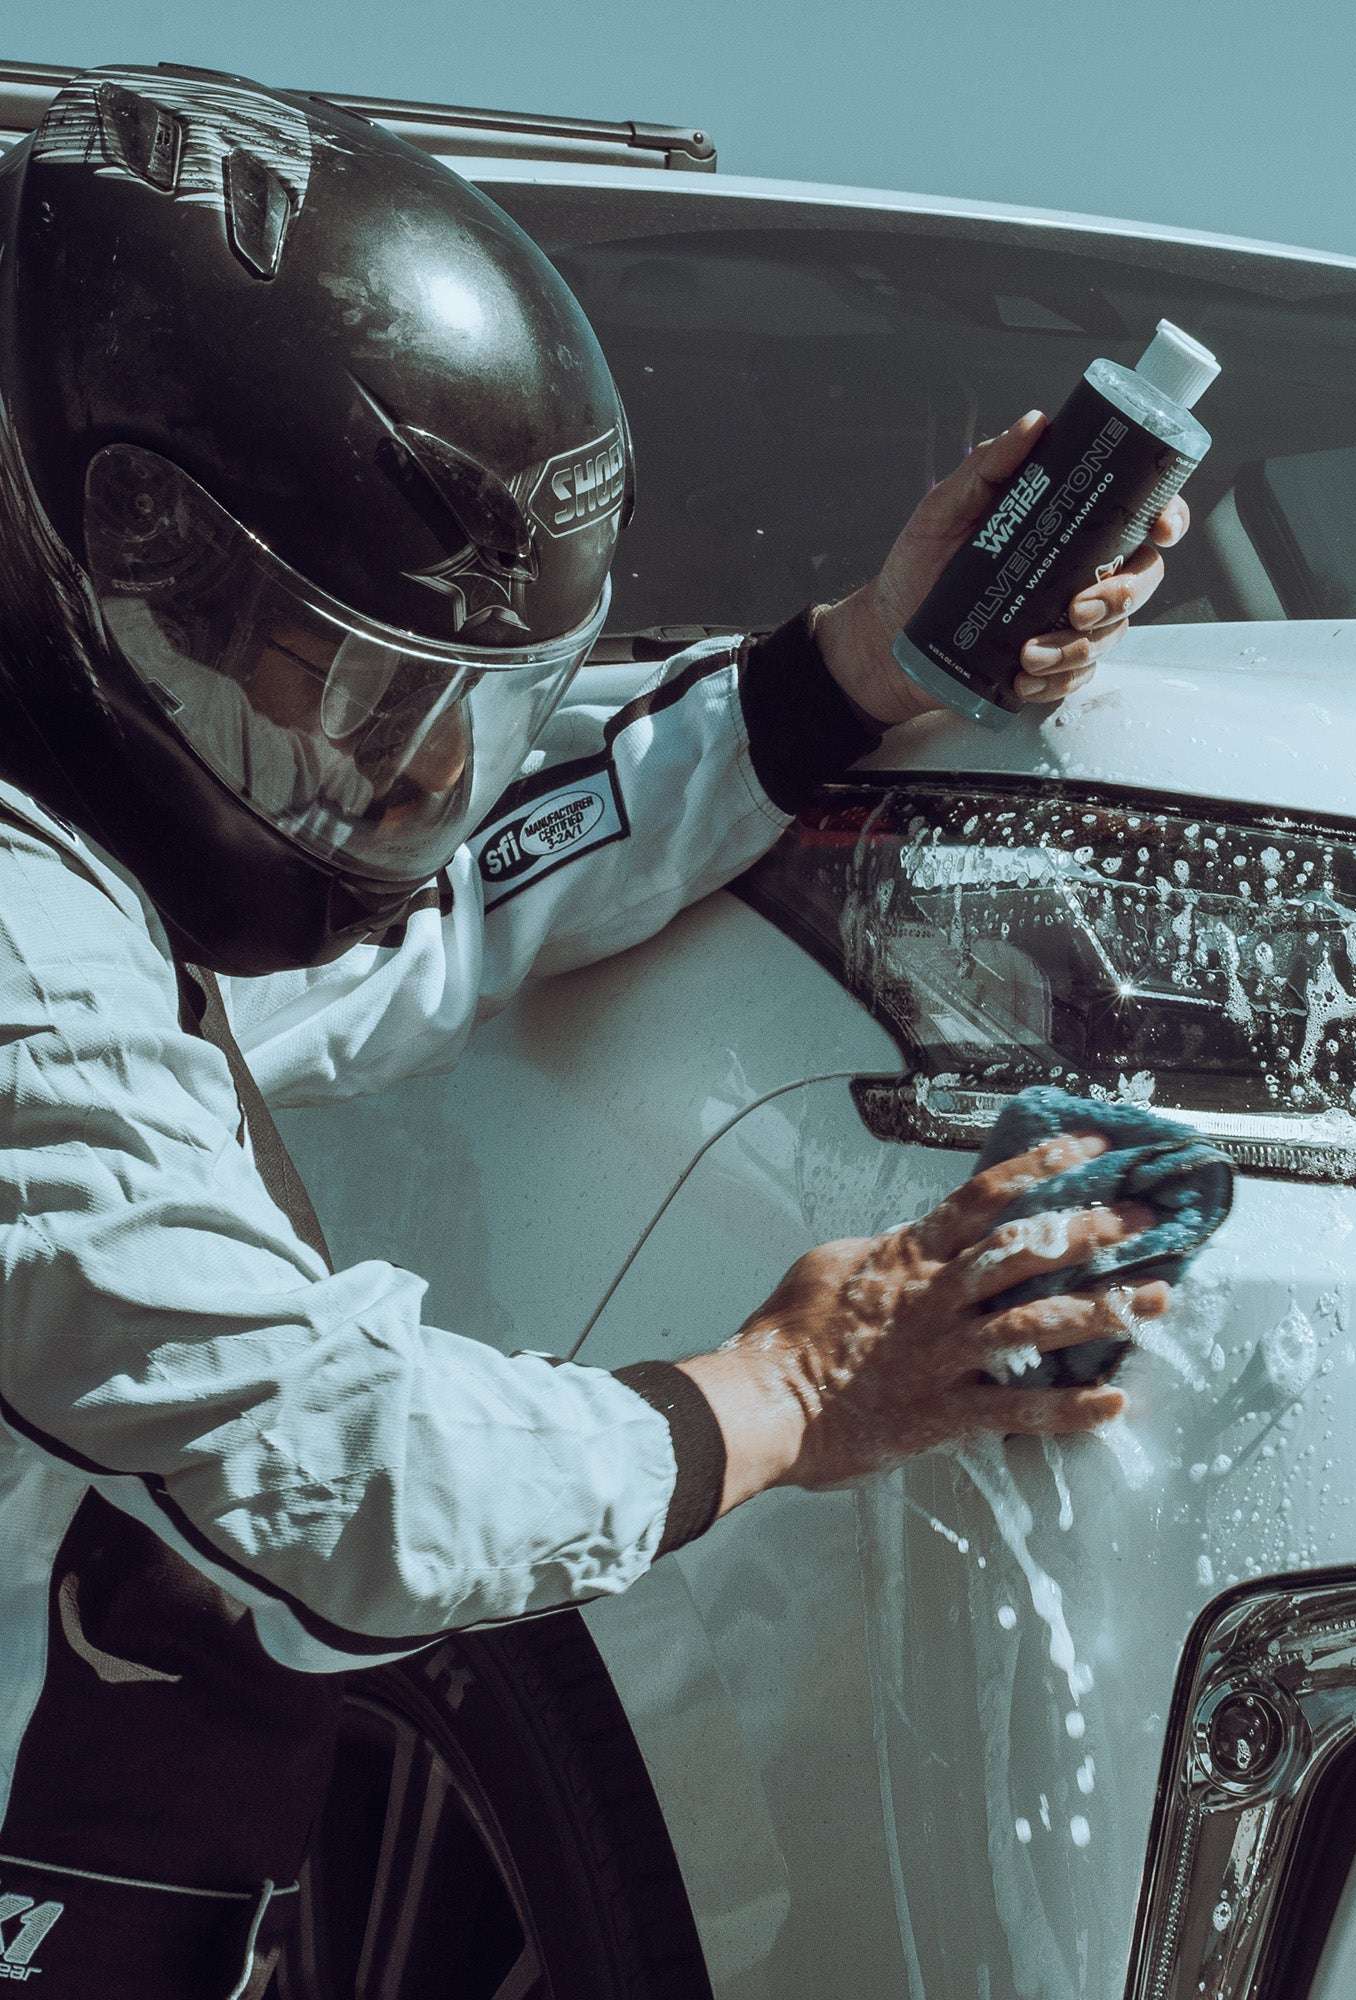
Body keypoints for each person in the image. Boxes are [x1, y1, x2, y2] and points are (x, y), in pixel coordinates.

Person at [0, 63, 1189, 1997]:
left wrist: (857, 669)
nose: (407, 782)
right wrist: (797, 1390)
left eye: (456, 711)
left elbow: (444, 907)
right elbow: (358, 1479)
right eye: (367, 695)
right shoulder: (23, 955)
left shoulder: (80, 846)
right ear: (138, 565)